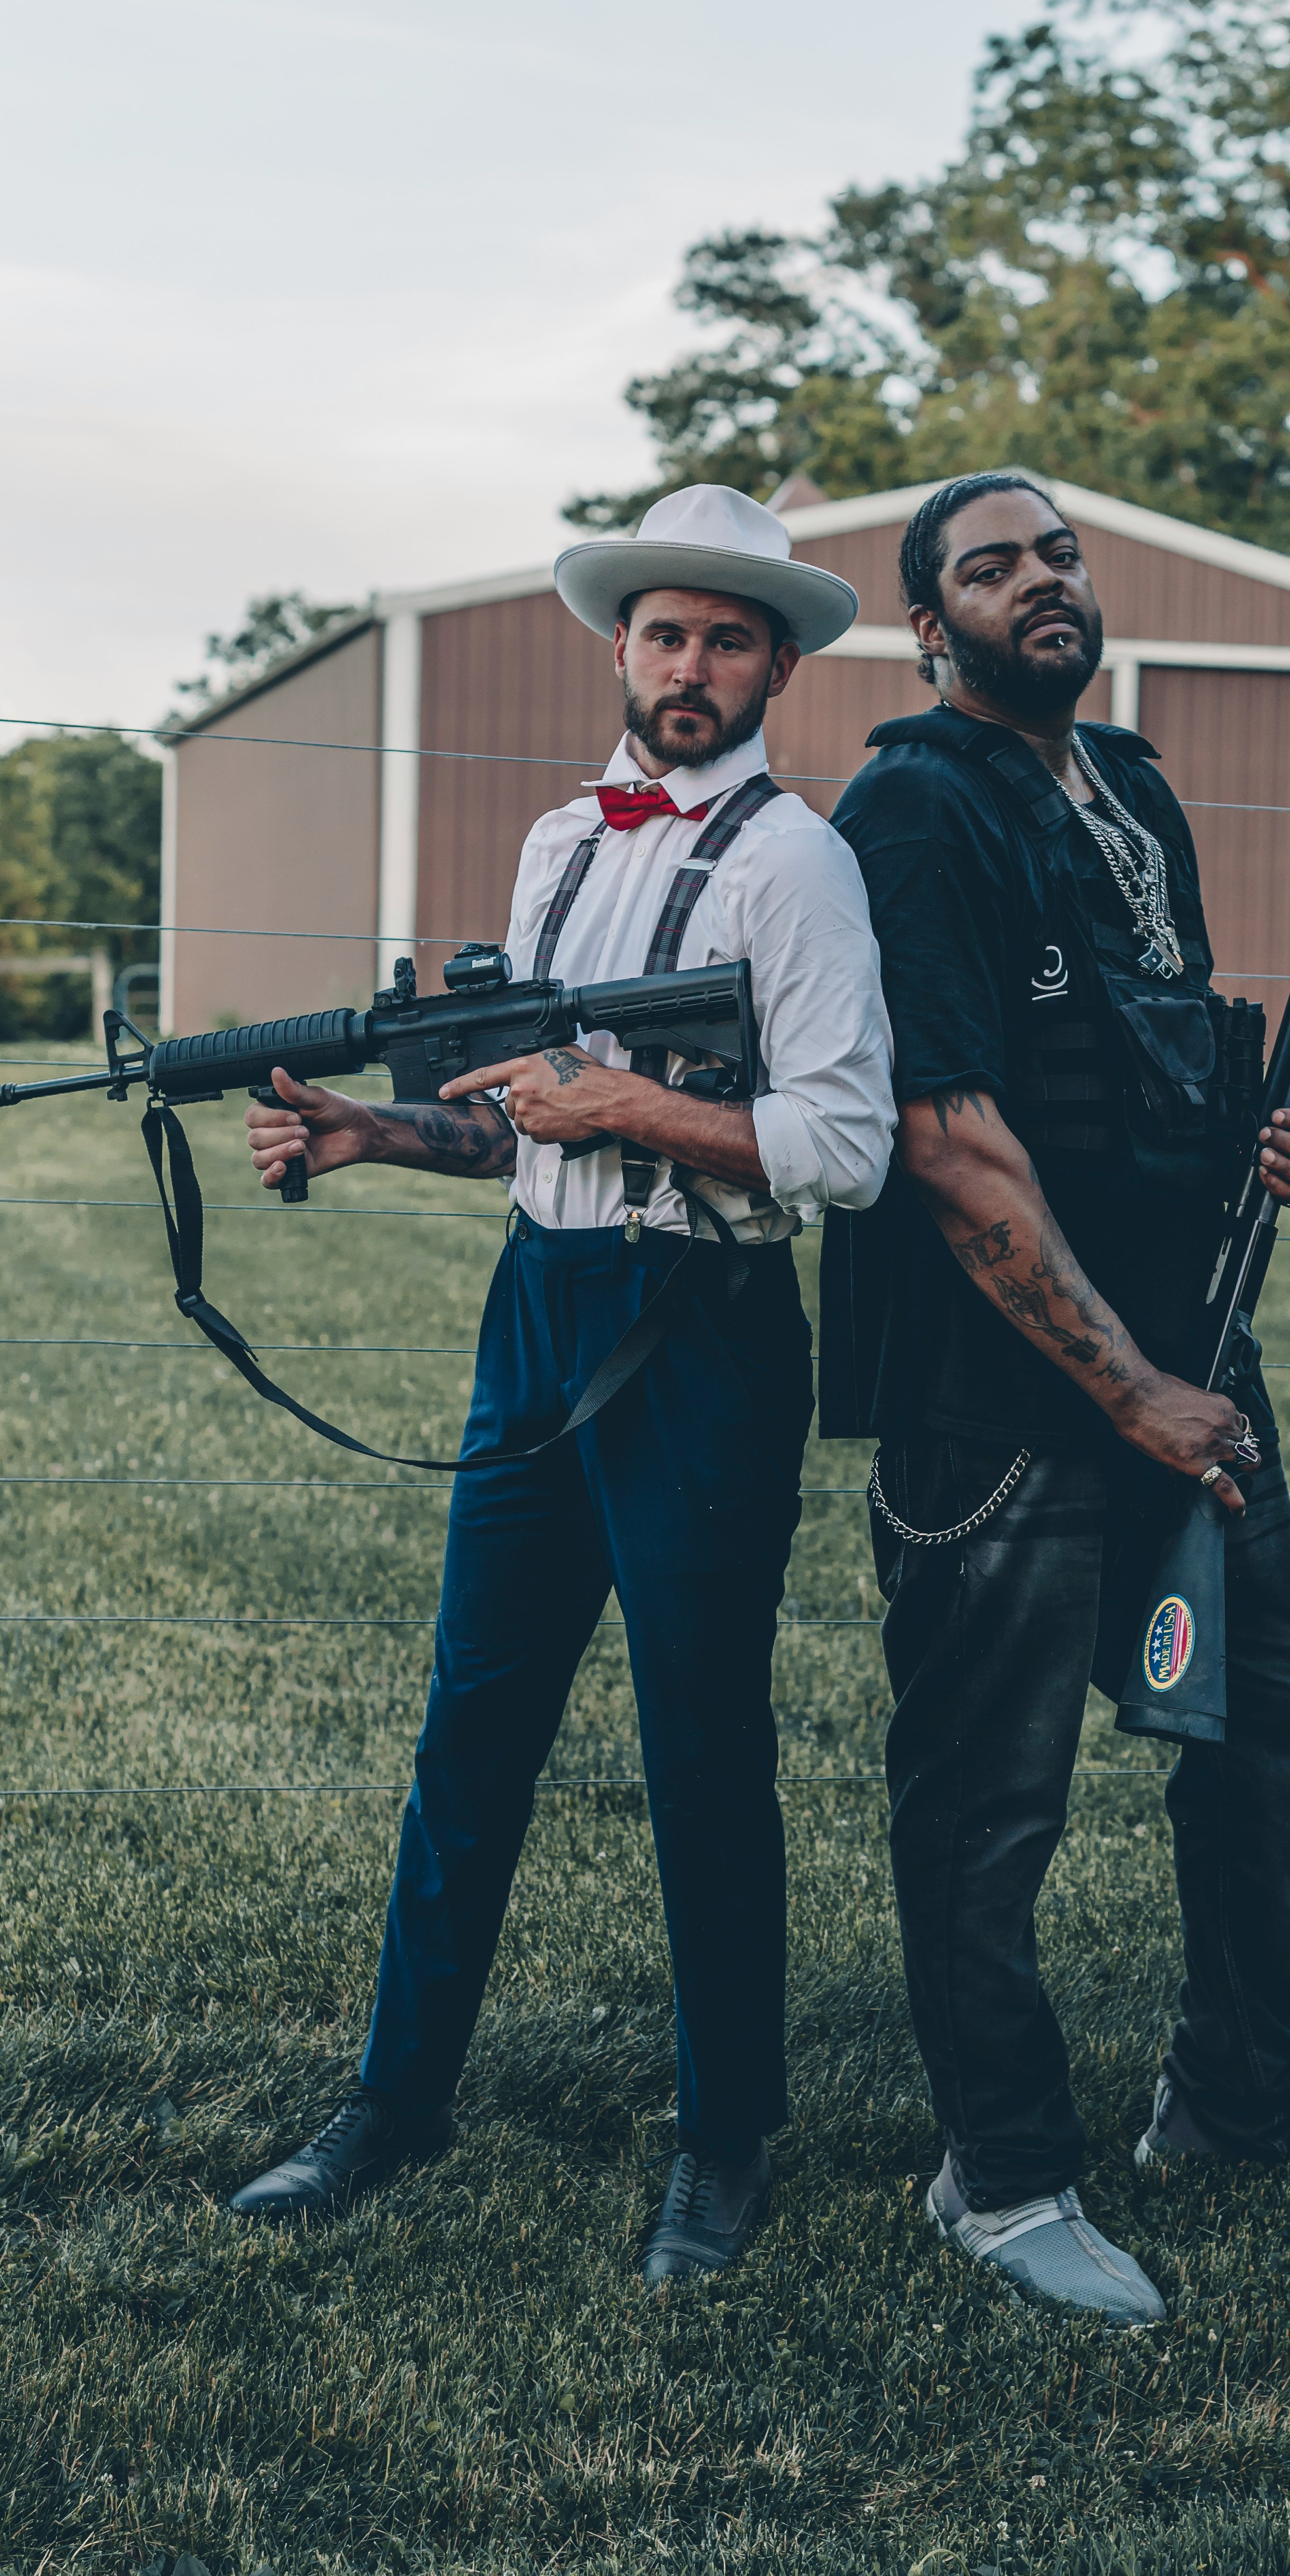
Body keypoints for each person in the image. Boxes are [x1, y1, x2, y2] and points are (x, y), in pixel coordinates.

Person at [227, 484, 894, 2285]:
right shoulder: (552, 846)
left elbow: (843, 1143)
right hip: (541, 1305)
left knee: (700, 1743)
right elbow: (521, 1113)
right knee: (473, 1726)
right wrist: (379, 1128)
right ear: (622, 646)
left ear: (776, 666)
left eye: (729, 640)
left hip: (705, 1333)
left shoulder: (796, 864)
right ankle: (395, 2096)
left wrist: (631, 1107)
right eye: (666, 633)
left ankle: (724, 2139)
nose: (691, 667)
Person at [819, 472, 1290, 2329]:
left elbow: (1142, 1051)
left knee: (1274, 1706)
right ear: (932, 626)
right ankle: (1000, 2175)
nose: (1038, 585)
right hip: (1005, 1399)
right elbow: (952, 1138)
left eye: (1057, 555)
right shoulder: (911, 807)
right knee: (988, 1796)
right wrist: (1136, 1389)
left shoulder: (1136, 781)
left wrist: (1266, 1133)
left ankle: (1235, 2101)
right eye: (989, 569)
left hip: (1188, 1350)